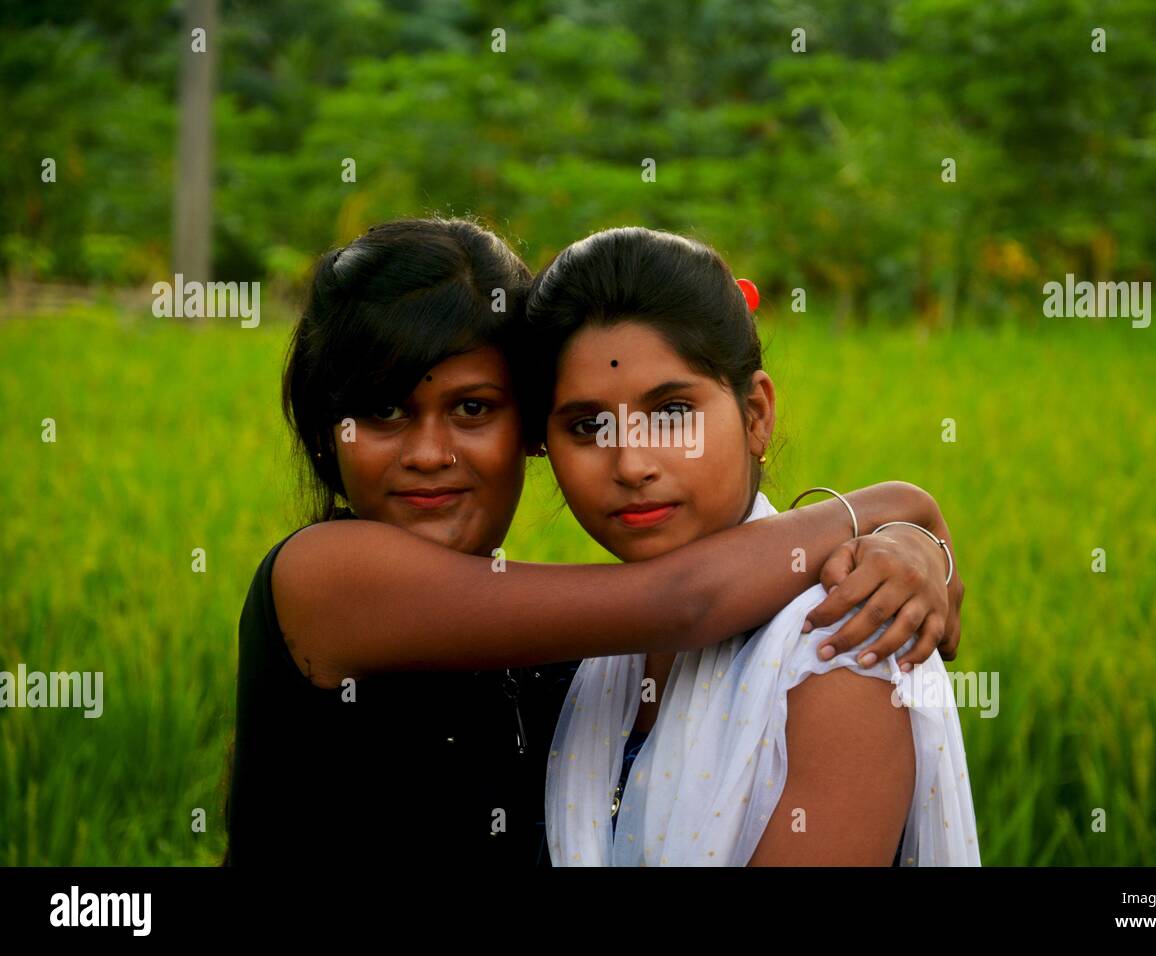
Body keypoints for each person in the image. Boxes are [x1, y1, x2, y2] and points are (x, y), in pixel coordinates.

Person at [223, 217, 965, 868]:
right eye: (383, 412)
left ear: (526, 432)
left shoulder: (593, 660)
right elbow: (683, 599)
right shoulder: (326, 578)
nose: (428, 453)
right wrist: (898, 508)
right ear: (328, 434)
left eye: (473, 408)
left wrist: (897, 540)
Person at [532, 227, 979, 865]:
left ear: (756, 414)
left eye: (671, 413)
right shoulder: (589, 662)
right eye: (587, 426)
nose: (631, 463)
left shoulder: (840, 647)